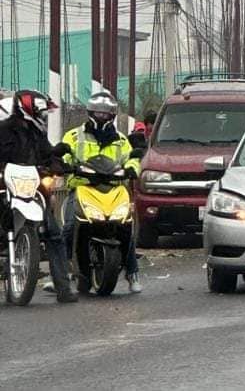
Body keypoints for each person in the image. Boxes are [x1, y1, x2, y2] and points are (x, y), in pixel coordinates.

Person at [61, 92, 143, 294]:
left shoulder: (121, 140)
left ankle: (133, 272)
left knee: (126, 227)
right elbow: (64, 154)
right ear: (90, 112)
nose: (102, 117)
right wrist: (64, 164)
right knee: (70, 227)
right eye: (98, 113)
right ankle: (60, 275)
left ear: (113, 115)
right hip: (83, 187)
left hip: (113, 189)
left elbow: (132, 158)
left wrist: (133, 168)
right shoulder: (74, 136)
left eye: (106, 114)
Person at [0, 90, 78, 302]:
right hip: (6, 184)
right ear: (29, 109)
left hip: (32, 189)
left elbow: (46, 154)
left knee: (54, 233)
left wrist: (60, 162)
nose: (44, 116)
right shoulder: (5, 129)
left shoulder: (37, 133)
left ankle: (63, 288)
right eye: (42, 112)